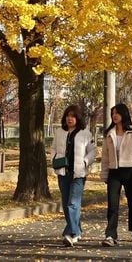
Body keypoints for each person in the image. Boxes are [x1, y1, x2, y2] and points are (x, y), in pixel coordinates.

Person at [101, 103, 132, 246]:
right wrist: (105, 174)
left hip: (130, 171)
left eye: (117, 113)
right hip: (114, 172)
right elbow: (105, 156)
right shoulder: (109, 134)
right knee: (112, 205)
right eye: (112, 113)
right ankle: (110, 235)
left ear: (124, 114)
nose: (114, 116)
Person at [51, 104, 96, 247]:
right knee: (66, 204)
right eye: (67, 116)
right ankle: (77, 229)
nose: (70, 119)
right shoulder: (59, 132)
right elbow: (52, 148)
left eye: (73, 116)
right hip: (63, 172)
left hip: (79, 173)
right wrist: (54, 159)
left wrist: (85, 161)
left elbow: (93, 151)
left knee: (73, 203)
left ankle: (71, 234)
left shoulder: (85, 133)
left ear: (78, 118)